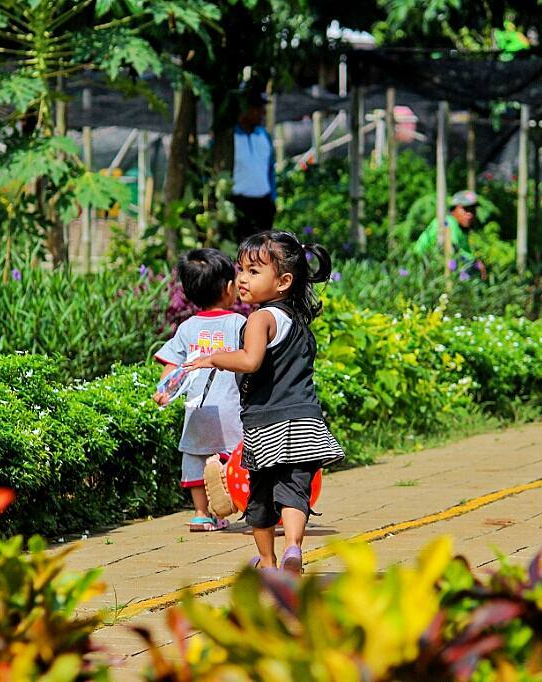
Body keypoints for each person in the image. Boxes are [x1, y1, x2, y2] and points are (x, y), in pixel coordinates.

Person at [186, 231, 344, 576]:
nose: (241, 278)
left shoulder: (260, 318)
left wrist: (214, 358)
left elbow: (251, 360)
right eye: (241, 269)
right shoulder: (298, 321)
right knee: (294, 490)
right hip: (305, 419)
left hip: (266, 423)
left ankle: (269, 561)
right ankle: (293, 547)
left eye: (253, 271)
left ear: (284, 281)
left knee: (259, 496)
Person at [153, 248, 246, 532]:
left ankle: (201, 513)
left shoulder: (187, 327)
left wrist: (163, 391)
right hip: (230, 407)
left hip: (196, 407)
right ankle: (234, 502)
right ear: (229, 288)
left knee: (196, 458)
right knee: (237, 457)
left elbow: (172, 365)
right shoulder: (238, 323)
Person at [230, 90, 276, 242]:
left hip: (263, 203)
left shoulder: (264, 135)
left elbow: (270, 169)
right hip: (239, 204)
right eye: (257, 109)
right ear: (244, 109)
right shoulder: (231, 137)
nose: (262, 113)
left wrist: (273, 198)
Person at [413, 189, 486, 280]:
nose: (470, 214)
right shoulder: (448, 222)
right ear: (454, 209)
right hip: (422, 269)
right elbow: (453, 250)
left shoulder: (462, 230)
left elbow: (467, 254)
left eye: (472, 210)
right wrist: (476, 264)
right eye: (466, 209)